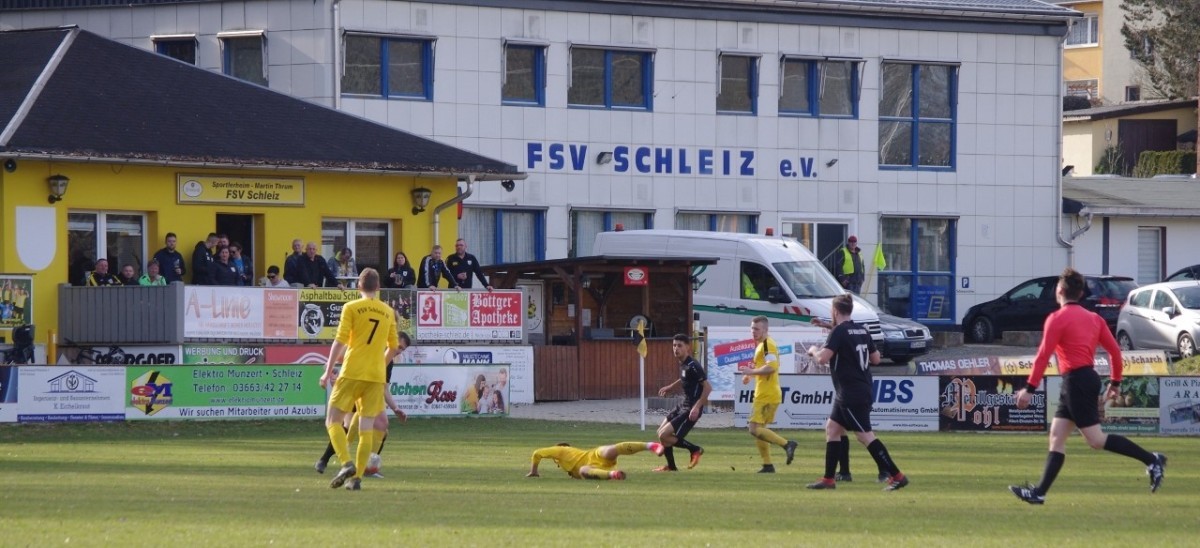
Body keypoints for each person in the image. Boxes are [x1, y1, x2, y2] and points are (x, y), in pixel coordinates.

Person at [1008, 268, 1166, 505]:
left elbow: (1043, 356)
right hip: (1082, 379)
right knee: (1056, 437)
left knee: (1095, 440)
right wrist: (1115, 382)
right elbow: (1115, 352)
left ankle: (1152, 459)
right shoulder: (1094, 319)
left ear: (1059, 291)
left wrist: (1029, 389)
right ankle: (1039, 493)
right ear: (1080, 293)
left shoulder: (1056, 319)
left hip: (1076, 381)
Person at [804, 294, 909, 491]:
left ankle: (897, 476)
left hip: (851, 392)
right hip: (859, 388)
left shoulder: (839, 332)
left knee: (864, 436)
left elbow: (822, 359)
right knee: (832, 429)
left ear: (835, 311)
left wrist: (813, 350)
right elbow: (876, 359)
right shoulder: (861, 330)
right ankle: (828, 479)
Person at [320, 268, 404, 491]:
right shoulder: (388, 312)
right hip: (375, 377)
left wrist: (327, 371)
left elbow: (339, 341)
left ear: (358, 286)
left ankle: (346, 463)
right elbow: (394, 347)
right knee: (366, 428)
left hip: (352, 371)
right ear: (378, 287)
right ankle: (356, 479)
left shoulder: (351, 307)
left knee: (332, 421)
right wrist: (379, 364)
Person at [316, 332, 411, 478]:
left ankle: (367, 468)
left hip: (369, 394)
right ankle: (328, 460)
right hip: (352, 389)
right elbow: (343, 354)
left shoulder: (389, 361)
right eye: (398, 346)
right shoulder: (370, 347)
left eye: (402, 349)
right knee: (347, 427)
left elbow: (384, 387)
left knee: (381, 426)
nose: (398, 351)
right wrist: (331, 371)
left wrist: (395, 408)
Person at [738, 315, 798, 473]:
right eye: (752, 328)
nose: (753, 331)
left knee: (753, 429)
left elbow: (771, 367)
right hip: (766, 393)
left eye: (756, 329)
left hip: (766, 394)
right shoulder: (761, 345)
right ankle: (767, 465)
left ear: (765, 329)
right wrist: (750, 375)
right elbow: (763, 367)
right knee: (760, 431)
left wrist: (751, 371)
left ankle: (787, 444)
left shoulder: (767, 345)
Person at [654, 334, 711, 472]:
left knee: (664, 436)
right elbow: (684, 378)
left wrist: (696, 407)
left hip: (691, 408)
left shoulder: (694, 366)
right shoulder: (684, 363)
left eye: (679, 346)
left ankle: (695, 449)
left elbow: (708, 388)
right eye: (674, 345)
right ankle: (671, 467)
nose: (676, 348)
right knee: (661, 433)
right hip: (684, 404)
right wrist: (670, 387)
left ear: (687, 348)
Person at [527, 441, 665, 480]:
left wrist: (534, 471)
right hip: (596, 466)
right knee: (584, 471)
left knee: (611, 450)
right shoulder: (568, 464)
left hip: (593, 455)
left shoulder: (561, 450)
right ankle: (613, 475)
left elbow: (537, 453)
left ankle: (652, 446)